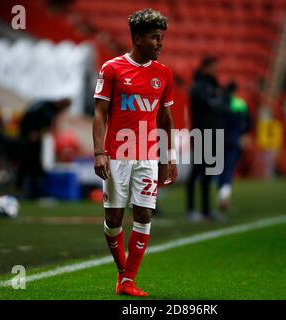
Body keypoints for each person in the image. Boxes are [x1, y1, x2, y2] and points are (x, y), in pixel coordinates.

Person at [92, 9, 177, 297]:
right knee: (114, 219)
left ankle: (128, 280)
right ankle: (121, 272)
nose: (160, 44)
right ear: (138, 39)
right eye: (155, 38)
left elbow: (165, 119)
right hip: (116, 154)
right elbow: (100, 113)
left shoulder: (164, 74)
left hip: (148, 156)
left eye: (161, 38)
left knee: (143, 214)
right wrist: (99, 152)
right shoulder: (112, 68)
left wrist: (168, 156)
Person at [186, 56, 226, 222]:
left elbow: (221, 104)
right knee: (198, 170)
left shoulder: (212, 85)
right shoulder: (198, 87)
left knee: (208, 173)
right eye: (213, 67)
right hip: (202, 132)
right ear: (205, 68)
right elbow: (213, 104)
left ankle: (206, 210)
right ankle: (191, 209)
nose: (215, 71)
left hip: (213, 131)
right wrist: (218, 99)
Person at [16, 98, 71, 199]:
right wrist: (31, 131)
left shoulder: (51, 109)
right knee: (28, 165)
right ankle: (21, 190)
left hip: (38, 141)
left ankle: (33, 192)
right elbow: (29, 118)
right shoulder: (44, 107)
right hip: (28, 141)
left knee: (36, 166)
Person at [218, 82, 251, 212]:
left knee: (220, 168)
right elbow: (248, 123)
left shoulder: (220, 102)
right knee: (229, 168)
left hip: (219, 139)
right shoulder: (240, 104)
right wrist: (241, 134)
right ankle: (224, 194)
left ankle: (221, 194)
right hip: (234, 139)